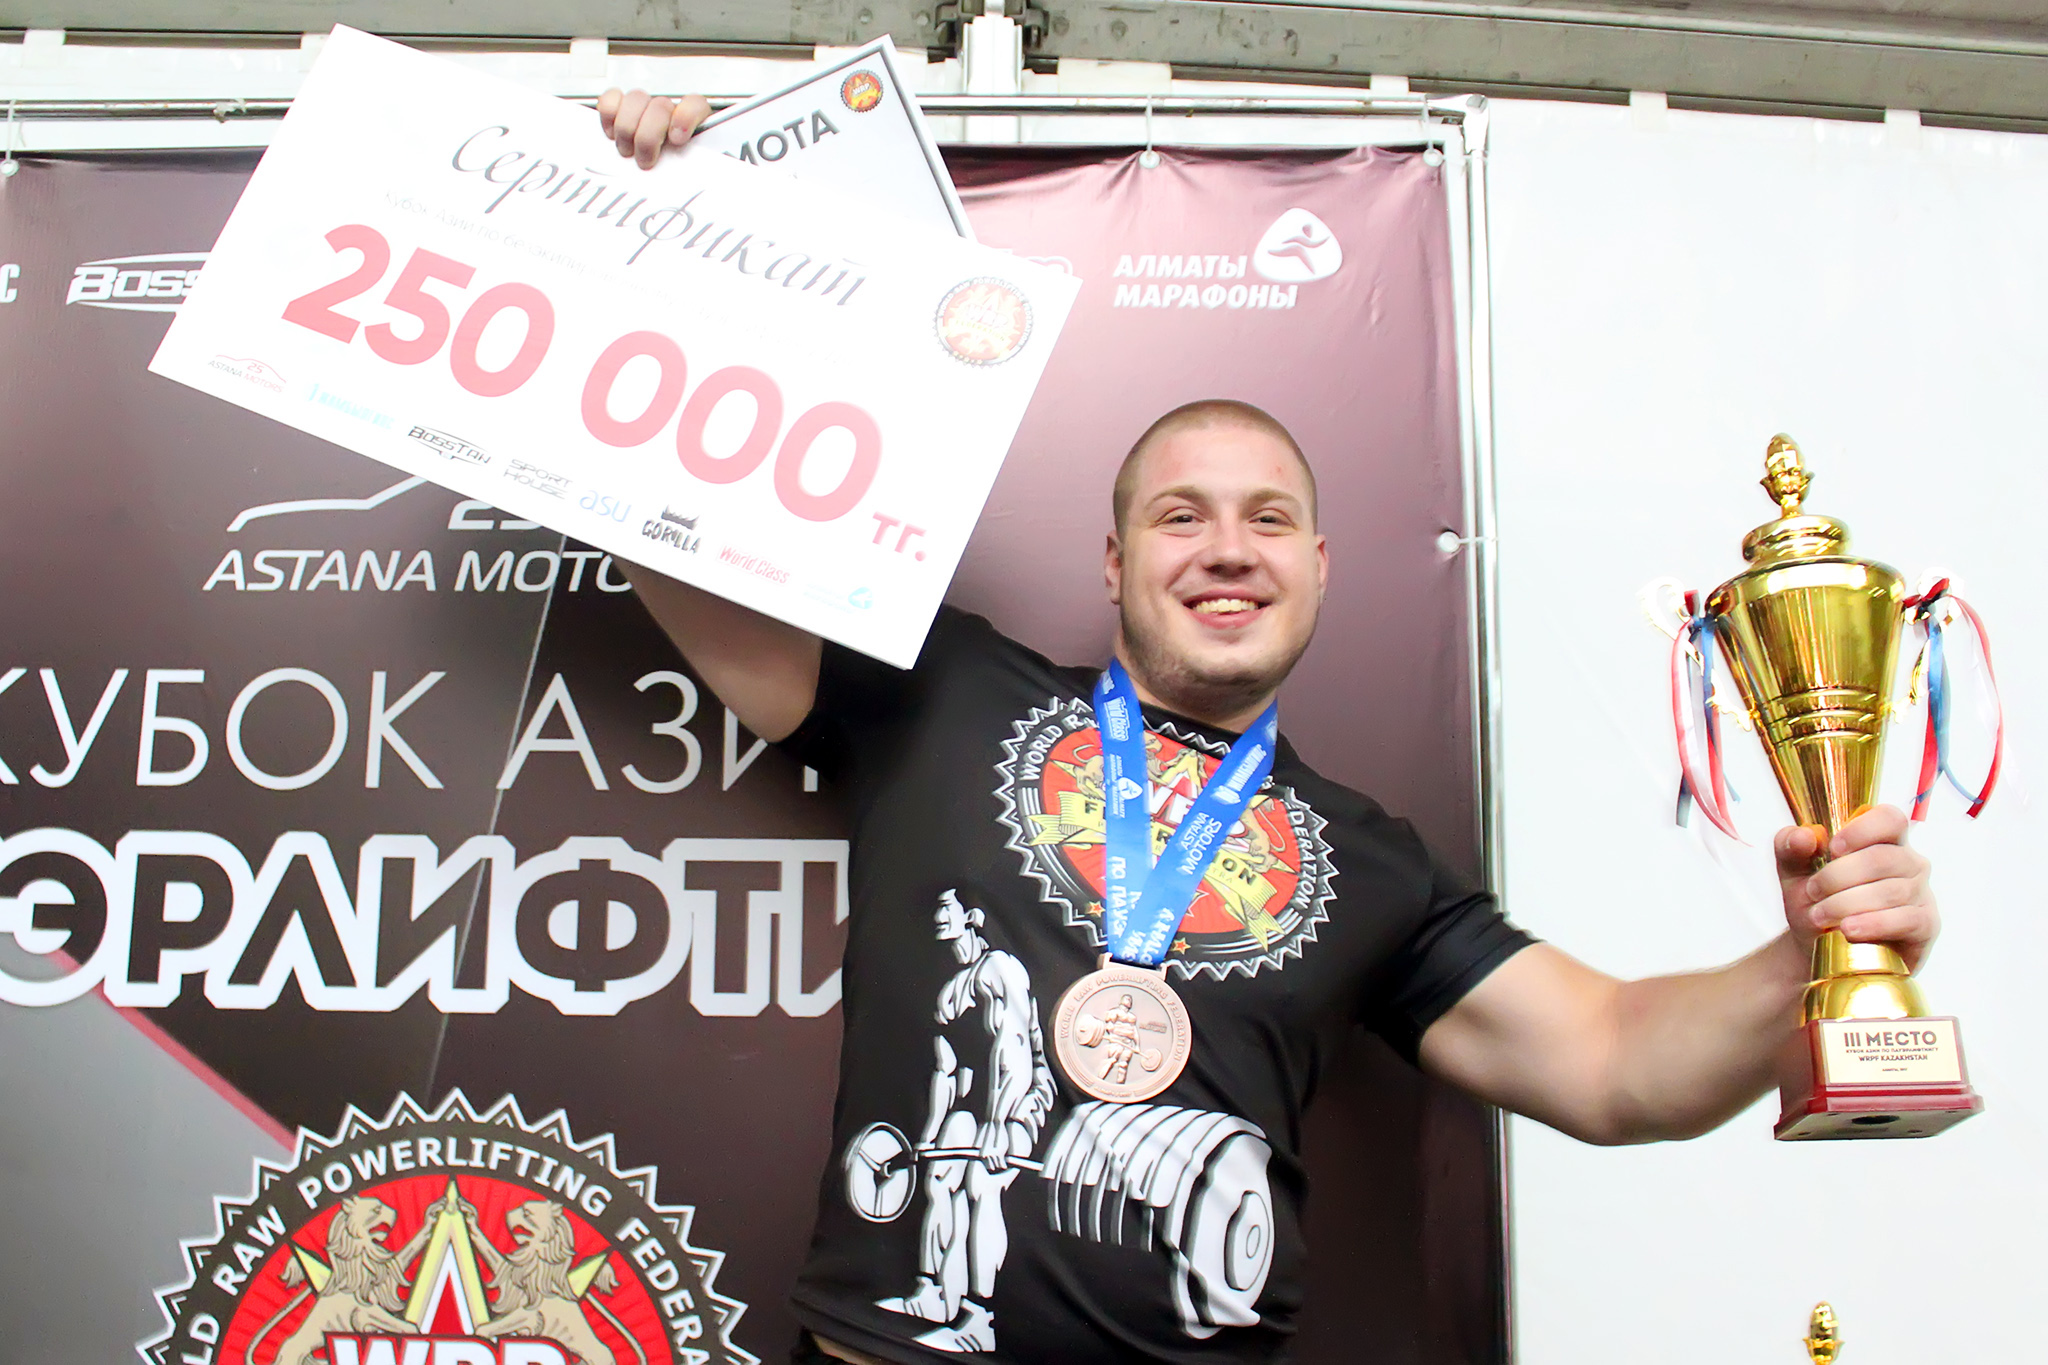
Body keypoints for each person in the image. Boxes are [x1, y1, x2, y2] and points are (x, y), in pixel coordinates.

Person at [596, 92, 1942, 1365]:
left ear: (1319, 567)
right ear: (1115, 562)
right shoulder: (944, 690)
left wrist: (1810, 956)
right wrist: (659, 213)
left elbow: (1612, 1062)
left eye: (1270, 519)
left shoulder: (1372, 862)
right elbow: (651, 513)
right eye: (1181, 515)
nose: (1228, 549)